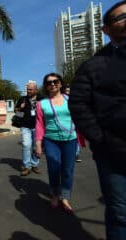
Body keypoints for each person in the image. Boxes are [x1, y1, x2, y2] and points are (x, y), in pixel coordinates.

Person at [69, 1, 126, 238]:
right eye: (120, 17)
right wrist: (100, 138)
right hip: (113, 152)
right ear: (105, 30)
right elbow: (78, 104)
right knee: (120, 213)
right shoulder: (93, 66)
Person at [35, 73, 78, 214]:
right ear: (46, 87)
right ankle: (54, 194)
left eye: (55, 81)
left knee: (67, 170)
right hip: (51, 140)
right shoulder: (42, 104)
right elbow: (40, 125)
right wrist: (38, 143)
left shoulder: (70, 100)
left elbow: (80, 116)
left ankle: (65, 197)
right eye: (49, 83)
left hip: (70, 139)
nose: (52, 84)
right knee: (54, 168)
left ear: (60, 84)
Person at [14, 82, 42, 176]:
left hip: (38, 127)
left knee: (35, 146)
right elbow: (16, 112)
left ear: (36, 90)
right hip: (25, 126)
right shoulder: (23, 99)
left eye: (30, 89)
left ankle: (34, 164)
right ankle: (27, 166)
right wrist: (20, 109)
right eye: (27, 89)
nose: (28, 91)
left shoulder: (41, 99)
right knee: (26, 145)